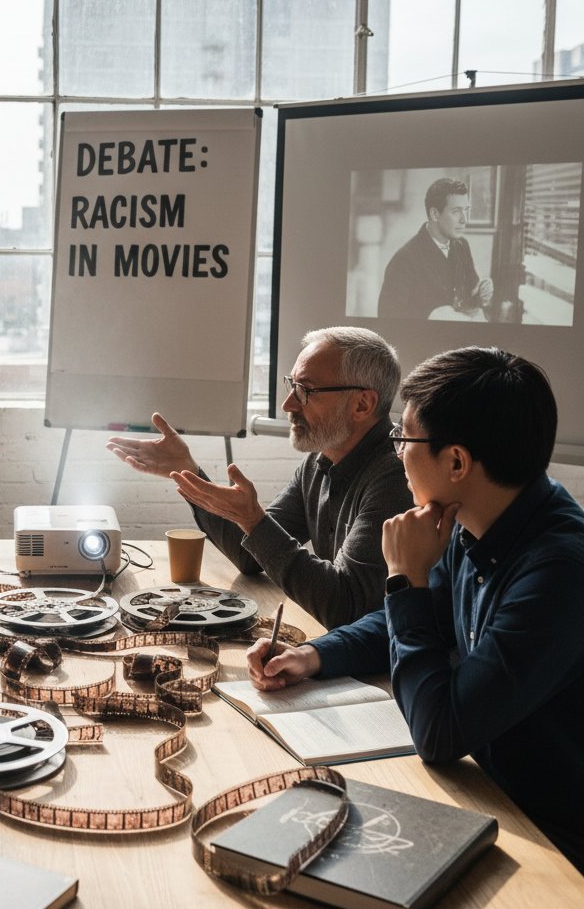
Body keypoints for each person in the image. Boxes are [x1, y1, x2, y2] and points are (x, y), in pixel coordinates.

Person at [247, 348, 584, 873]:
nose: (396, 451)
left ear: (456, 462)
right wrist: (314, 654)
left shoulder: (559, 572)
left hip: (550, 840)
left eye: (403, 438)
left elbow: (440, 734)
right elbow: (412, 623)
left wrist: (406, 580)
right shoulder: (474, 516)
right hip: (487, 794)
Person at [107, 327, 412, 629]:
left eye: (306, 390)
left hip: (379, 672)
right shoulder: (318, 462)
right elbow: (249, 555)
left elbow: (344, 607)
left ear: (362, 404)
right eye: (291, 385)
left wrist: (253, 520)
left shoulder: (397, 477)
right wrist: (189, 472)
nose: (288, 404)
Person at [377, 177, 494, 320]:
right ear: (435, 214)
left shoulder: (461, 246)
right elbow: (387, 319)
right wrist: (430, 316)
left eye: (466, 210)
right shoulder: (404, 259)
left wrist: (480, 294)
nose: (464, 219)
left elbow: (467, 298)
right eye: (456, 211)